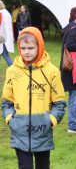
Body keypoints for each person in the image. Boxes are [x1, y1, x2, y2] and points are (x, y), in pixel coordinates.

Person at [1, 27, 66, 169]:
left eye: (30, 47)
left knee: (43, 166)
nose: (26, 52)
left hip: (43, 130)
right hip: (19, 131)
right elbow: (6, 101)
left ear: (39, 46)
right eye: (23, 48)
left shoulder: (52, 71)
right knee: (25, 166)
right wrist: (10, 119)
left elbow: (59, 102)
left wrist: (51, 120)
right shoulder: (12, 71)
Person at [0, 0, 14, 66]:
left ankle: (13, 70)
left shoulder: (1, 13)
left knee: (5, 55)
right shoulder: (6, 12)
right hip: (6, 36)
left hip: (2, 37)